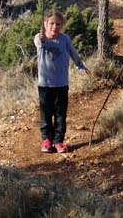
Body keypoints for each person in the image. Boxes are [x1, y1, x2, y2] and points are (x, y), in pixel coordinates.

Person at [34, 10, 88, 153]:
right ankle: (47, 139)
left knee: (60, 114)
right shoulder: (39, 38)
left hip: (61, 84)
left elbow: (73, 53)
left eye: (58, 24)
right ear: (45, 24)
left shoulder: (65, 39)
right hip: (45, 85)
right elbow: (39, 43)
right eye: (51, 23)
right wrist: (42, 38)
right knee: (46, 113)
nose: (54, 27)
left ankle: (58, 140)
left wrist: (80, 65)